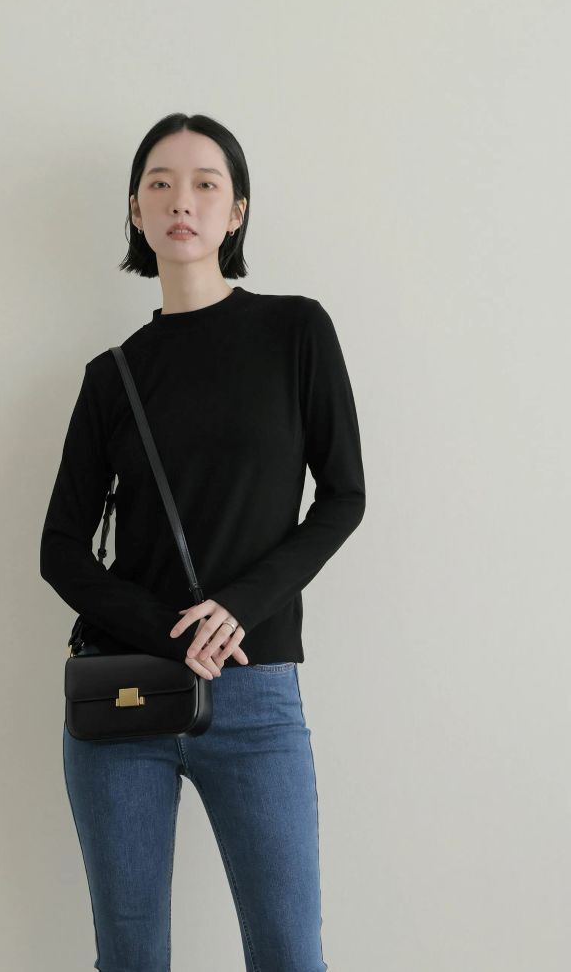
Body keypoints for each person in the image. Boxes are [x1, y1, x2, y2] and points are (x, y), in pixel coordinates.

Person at [40, 111, 366, 972]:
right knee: (131, 959)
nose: (181, 200)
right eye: (159, 184)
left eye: (204, 183)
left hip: (255, 695)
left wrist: (240, 607)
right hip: (124, 696)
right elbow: (60, 547)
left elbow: (344, 496)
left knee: (289, 954)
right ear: (137, 213)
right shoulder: (111, 377)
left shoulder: (296, 332)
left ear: (236, 211)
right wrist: (167, 628)